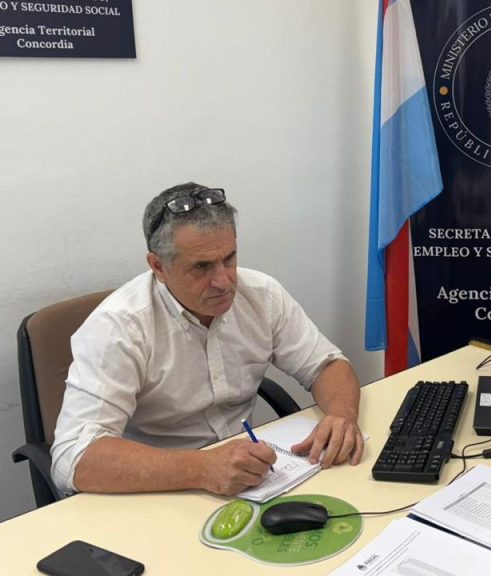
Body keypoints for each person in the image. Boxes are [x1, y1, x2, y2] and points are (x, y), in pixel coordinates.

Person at [51, 182, 364, 498]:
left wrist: (342, 413)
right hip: (157, 487)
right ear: (159, 267)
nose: (223, 281)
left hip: (250, 479)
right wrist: (200, 469)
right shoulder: (119, 326)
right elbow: (73, 457)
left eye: (229, 259)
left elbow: (326, 365)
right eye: (201, 267)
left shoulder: (262, 295)